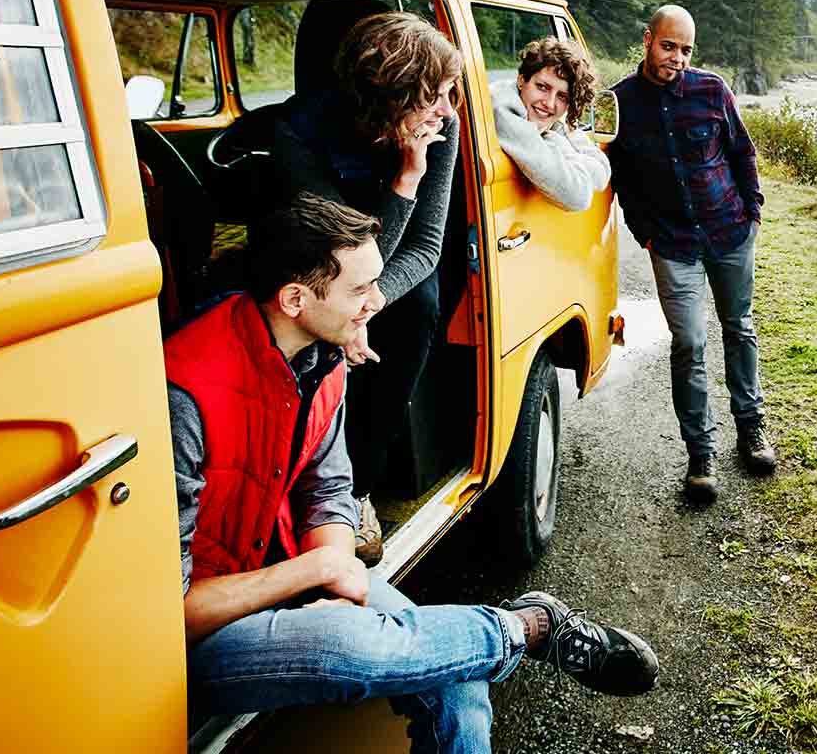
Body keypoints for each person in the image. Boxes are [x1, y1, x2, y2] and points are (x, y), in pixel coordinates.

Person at [168, 194, 660, 752]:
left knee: (458, 681)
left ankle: (515, 633)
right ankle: (529, 629)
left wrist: (337, 578)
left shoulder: (322, 354)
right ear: (294, 298)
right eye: (359, 290)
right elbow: (172, 613)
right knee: (357, 652)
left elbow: (326, 485)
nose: (377, 302)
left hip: (290, 569)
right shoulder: (185, 395)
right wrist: (316, 569)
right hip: (204, 633)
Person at [252, 10, 462, 563]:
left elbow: (426, 246)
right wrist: (343, 312)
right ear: (393, 96)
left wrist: (365, 308)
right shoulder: (299, 132)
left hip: (386, 274)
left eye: (450, 93)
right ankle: (279, 487)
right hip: (317, 264)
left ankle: (358, 487)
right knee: (296, 326)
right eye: (434, 95)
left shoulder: (443, 125)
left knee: (420, 307)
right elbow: (332, 255)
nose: (447, 108)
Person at [606, 4, 775, 502]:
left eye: (685, 50)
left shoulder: (711, 89)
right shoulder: (620, 103)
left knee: (739, 328)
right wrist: (646, 234)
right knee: (690, 345)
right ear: (647, 39)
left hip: (729, 232)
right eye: (668, 46)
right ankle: (701, 454)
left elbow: (742, 152)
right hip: (673, 245)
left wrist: (753, 212)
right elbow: (619, 181)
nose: (677, 58)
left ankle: (751, 428)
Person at [491, 36, 610, 210]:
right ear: (522, 80)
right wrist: (555, 140)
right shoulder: (504, 110)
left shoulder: (549, 120)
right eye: (542, 87)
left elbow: (602, 173)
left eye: (562, 96)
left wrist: (562, 140)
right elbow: (578, 197)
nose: (549, 103)